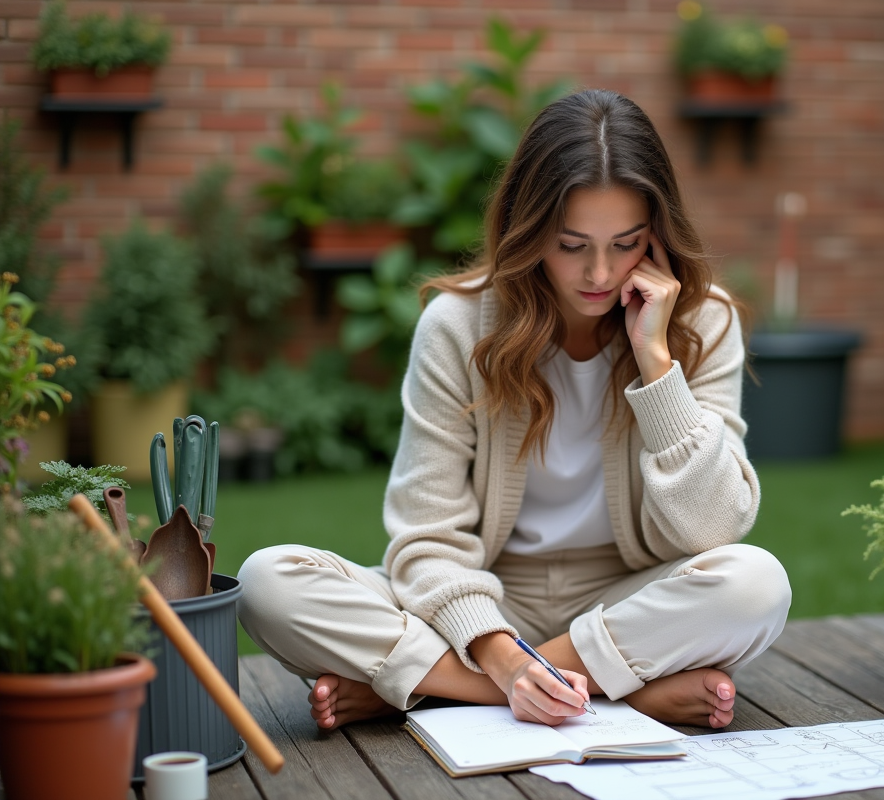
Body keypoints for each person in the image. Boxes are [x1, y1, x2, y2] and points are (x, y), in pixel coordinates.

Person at [237, 88, 791, 732]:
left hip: (628, 600)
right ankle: (613, 692)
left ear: (660, 237)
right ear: (527, 232)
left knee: (756, 585)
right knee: (267, 581)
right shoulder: (458, 325)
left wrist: (657, 366)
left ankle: (430, 689)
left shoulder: (703, 321)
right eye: (572, 243)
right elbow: (426, 539)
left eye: (627, 243)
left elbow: (715, 530)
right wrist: (501, 660)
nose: (601, 273)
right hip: (479, 607)